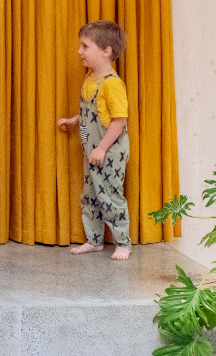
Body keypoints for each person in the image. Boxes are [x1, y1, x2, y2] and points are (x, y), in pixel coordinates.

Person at [56, 20, 131, 259]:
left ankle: (123, 243)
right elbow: (92, 111)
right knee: (90, 195)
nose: (79, 51)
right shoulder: (90, 77)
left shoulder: (112, 84)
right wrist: (74, 120)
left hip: (108, 152)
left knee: (110, 195)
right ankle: (95, 240)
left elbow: (118, 121)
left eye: (85, 46)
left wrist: (101, 148)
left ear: (106, 51)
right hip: (92, 150)